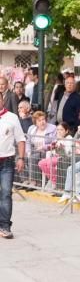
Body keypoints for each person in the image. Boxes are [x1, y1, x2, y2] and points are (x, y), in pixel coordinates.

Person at [0, 90, 26, 238]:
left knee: (5, 194)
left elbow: (20, 139)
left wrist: (21, 158)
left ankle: (4, 226)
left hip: (7, 162)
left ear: (2, 100)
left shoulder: (12, 118)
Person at [38, 122, 73, 189]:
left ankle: (55, 183)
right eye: (58, 130)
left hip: (64, 158)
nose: (59, 132)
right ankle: (54, 180)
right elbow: (52, 147)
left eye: (61, 130)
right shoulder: (57, 138)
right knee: (41, 163)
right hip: (55, 156)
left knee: (49, 163)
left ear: (66, 131)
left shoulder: (69, 138)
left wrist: (60, 147)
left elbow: (67, 152)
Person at [25, 111, 57, 186]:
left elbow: (54, 142)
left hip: (46, 151)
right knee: (20, 157)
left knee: (33, 158)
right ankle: (26, 179)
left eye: (43, 119)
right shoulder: (31, 129)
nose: (42, 122)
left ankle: (34, 181)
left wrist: (44, 147)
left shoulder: (53, 128)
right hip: (34, 150)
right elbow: (28, 141)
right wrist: (28, 151)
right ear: (35, 122)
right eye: (39, 120)